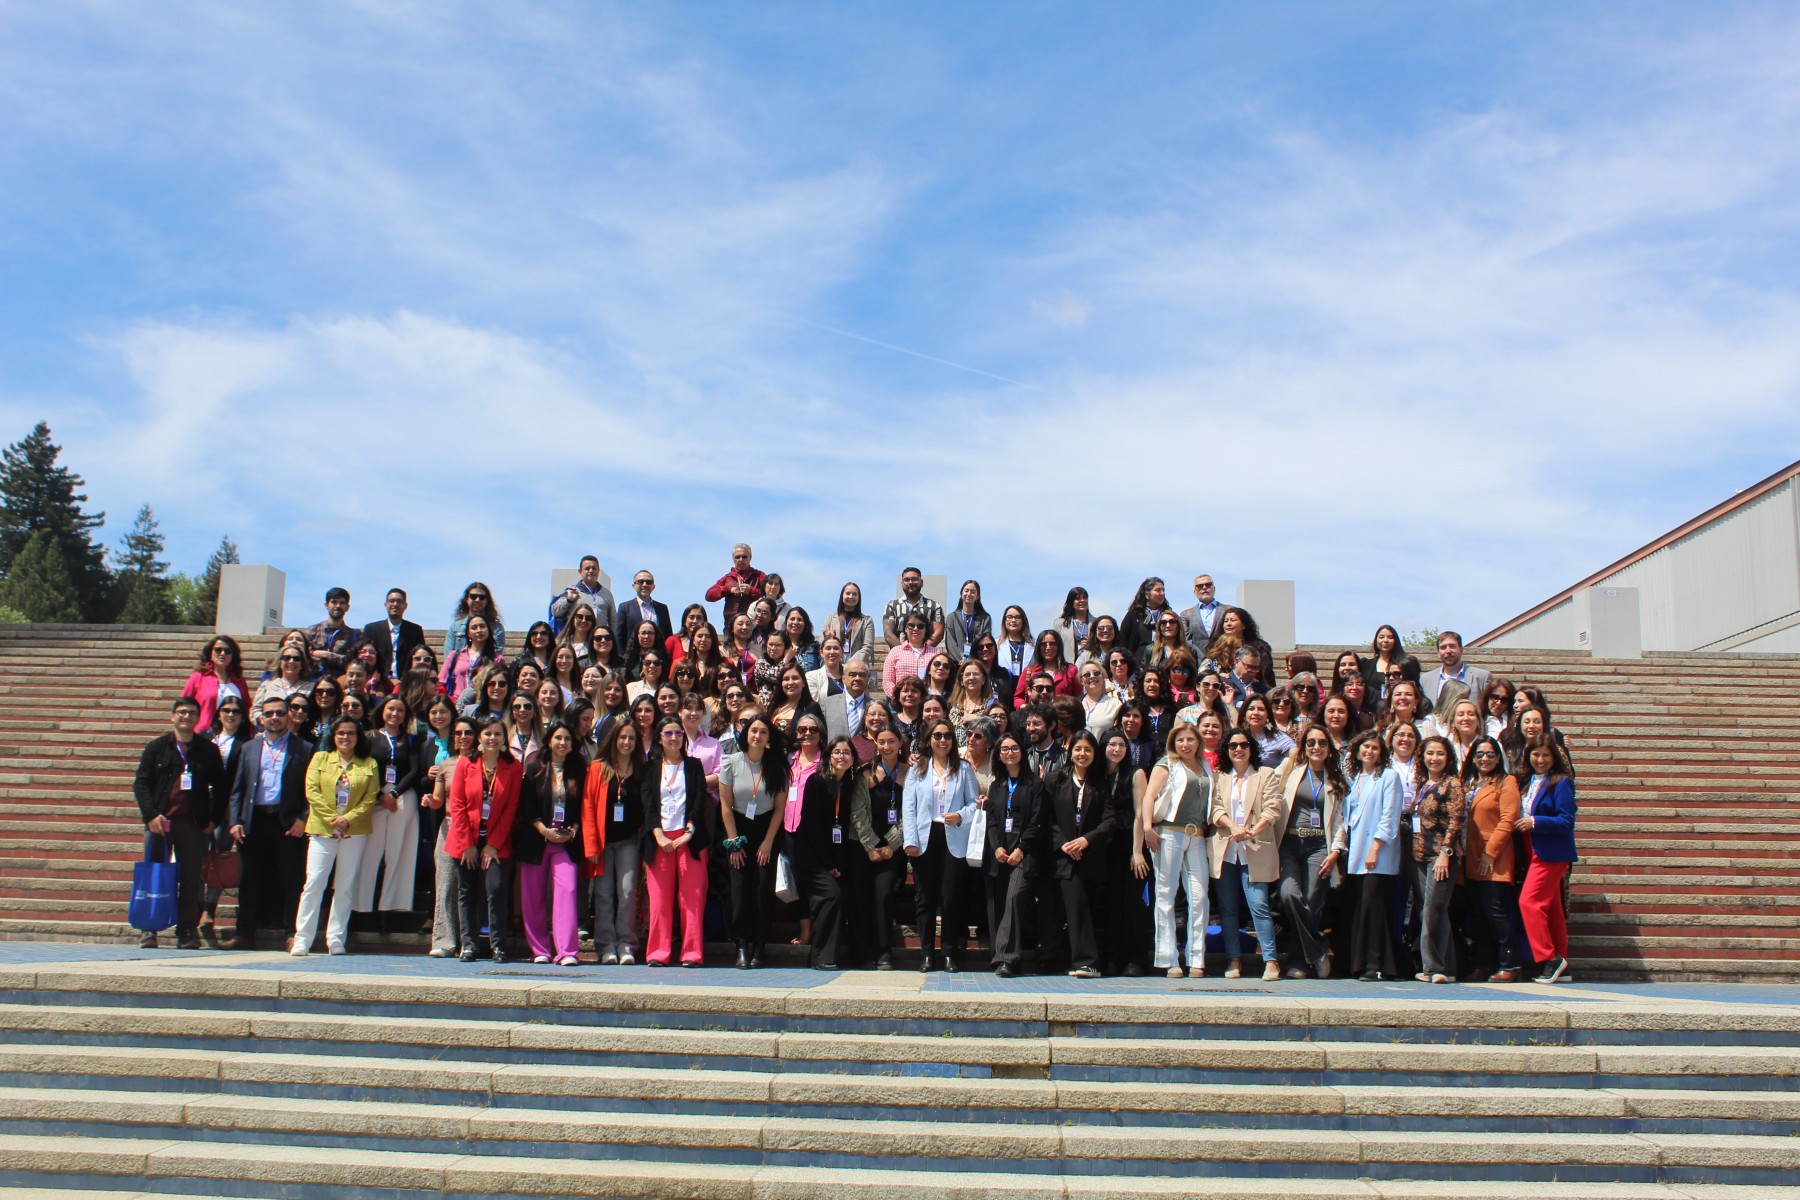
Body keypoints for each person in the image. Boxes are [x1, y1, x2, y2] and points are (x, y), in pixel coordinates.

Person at [131, 697, 227, 950]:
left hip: (193, 826)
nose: (187, 717)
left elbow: (222, 788)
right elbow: (141, 783)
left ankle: (187, 931)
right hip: (161, 824)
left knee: (191, 880)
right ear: (172, 716)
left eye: (192, 713)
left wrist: (213, 821)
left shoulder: (208, 750)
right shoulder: (157, 748)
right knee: (154, 876)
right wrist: (150, 815)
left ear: (198, 719)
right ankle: (149, 929)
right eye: (182, 712)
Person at [221, 695, 311, 950]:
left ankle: (291, 932)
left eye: (280, 713)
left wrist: (303, 818)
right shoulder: (249, 747)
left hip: (287, 822)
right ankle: (245, 933)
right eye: (269, 713)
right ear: (261, 718)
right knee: (250, 878)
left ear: (288, 716)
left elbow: (310, 789)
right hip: (254, 820)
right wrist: (235, 820)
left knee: (291, 879)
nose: (274, 718)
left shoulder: (303, 747)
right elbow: (237, 788)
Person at [292, 716, 379, 956]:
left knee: (344, 886)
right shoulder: (321, 758)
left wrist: (347, 819)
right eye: (341, 733)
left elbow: (370, 798)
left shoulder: (368, 764)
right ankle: (303, 938)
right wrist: (333, 818)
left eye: (350, 733)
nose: (345, 737)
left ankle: (336, 938)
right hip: (323, 829)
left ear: (357, 737)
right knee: (314, 883)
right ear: (333, 735)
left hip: (354, 832)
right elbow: (312, 791)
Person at [903, 718, 981, 972]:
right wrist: (910, 841)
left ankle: (949, 952)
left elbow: (973, 803)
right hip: (925, 837)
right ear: (929, 739)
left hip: (953, 835)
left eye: (947, 736)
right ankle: (927, 953)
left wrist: (961, 816)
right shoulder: (918, 769)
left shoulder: (964, 769)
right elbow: (910, 807)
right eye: (937, 736)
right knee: (925, 899)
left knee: (950, 898)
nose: (942, 740)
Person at [446, 718, 524, 962]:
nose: (492, 738)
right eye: (488, 733)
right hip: (465, 840)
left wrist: (493, 845)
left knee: (497, 889)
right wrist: (467, 845)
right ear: (479, 737)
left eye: (498, 734)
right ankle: (468, 944)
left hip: (496, 842)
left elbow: (511, 809)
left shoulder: (513, 767)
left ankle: (497, 945)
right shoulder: (465, 764)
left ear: (504, 738)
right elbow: (456, 805)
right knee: (467, 892)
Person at [1211, 729, 1283, 982]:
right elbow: (1215, 809)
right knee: (1228, 909)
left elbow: (1274, 807)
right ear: (1227, 750)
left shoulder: (1265, 775)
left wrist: (1253, 830)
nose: (1238, 749)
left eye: (1243, 745)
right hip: (1227, 850)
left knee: (1259, 906)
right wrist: (1234, 827)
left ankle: (1271, 961)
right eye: (1233, 746)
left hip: (1256, 847)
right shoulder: (1220, 777)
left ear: (1251, 748)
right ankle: (1234, 959)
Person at [1276, 724, 1347, 979]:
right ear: (1304, 747)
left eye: (1322, 743)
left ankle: (1298, 961)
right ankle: (1318, 948)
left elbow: (1340, 819)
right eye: (1311, 743)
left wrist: (1336, 850)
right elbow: (1269, 787)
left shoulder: (1337, 779)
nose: (1316, 747)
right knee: (1289, 894)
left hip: (1320, 845)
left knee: (1312, 901)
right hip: (1290, 843)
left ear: (1329, 748)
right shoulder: (1291, 771)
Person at [1142, 723, 1212, 979]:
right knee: (1165, 894)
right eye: (1180, 740)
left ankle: (1197, 958)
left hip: (1196, 835)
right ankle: (1168, 958)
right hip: (1168, 832)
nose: (1185, 744)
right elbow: (1149, 796)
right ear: (1174, 742)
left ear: (1197, 742)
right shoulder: (1166, 764)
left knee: (1199, 896)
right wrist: (1148, 828)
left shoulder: (1205, 766)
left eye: (1190, 740)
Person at [643, 716, 714, 967]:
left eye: (678, 733)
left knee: (692, 899)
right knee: (660, 900)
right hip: (659, 839)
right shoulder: (650, 768)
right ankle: (658, 953)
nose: (674, 738)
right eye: (668, 733)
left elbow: (698, 799)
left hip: (689, 839)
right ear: (660, 738)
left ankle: (692, 953)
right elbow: (648, 804)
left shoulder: (693, 766)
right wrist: (658, 833)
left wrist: (690, 830)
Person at [1044, 731, 1115, 978]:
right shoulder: (1055, 780)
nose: (1082, 754)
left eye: (1087, 750)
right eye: (1078, 749)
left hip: (1090, 858)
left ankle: (1086, 961)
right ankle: (1084, 960)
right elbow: (1047, 818)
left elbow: (1109, 821)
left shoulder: (1101, 783)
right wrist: (1063, 844)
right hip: (1062, 858)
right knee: (1071, 907)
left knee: (1083, 908)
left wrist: (1086, 841)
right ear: (1070, 751)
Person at [514, 720, 585, 966]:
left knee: (567, 890)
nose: (563, 743)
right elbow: (526, 806)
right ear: (549, 741)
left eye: (567, 739)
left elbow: (582, 807)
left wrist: (573, 830)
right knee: (533, 896)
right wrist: (544, 830)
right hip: (537, 839)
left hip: (566, 841)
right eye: (558, 738)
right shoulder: (534, 769)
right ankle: (540, 949)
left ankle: (567, 951)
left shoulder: (579, 771)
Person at [792, 736, 861, 969]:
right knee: (832, 894)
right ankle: (822, 957)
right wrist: (828, 864)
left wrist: (838, 864)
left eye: (847, 753)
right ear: (829, 756)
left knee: (843, 895)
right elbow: (812, 826)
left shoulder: (851, 784)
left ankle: (824, 956)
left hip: (833, 856)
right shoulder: (817, 782)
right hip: (811, 855)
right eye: (837, 752)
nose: (842, 757)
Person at [353, 695, 422, 926]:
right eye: (391, 709)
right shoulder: (369, 737)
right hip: (374, 798)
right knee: (369, 851)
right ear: (383, 711)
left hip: (402, 796)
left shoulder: (410, 740)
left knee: (398, 851)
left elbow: (415, 770)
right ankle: (361, 907)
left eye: (400, 710)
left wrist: (394, 794)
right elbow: (362, 769)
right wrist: (378, 795)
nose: (395, 714)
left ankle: (391, 908)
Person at [985, 730, 1049, 977]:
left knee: (1014, 898)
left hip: (1025, 853)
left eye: (1013, 748)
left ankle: (1006, 958)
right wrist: (997, 847)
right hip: (1000, 853)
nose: (1009, 753)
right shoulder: (996, 786)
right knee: (1001, 904)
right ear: (998, 756)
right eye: (1004, 749)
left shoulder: (1035, 785)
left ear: (1022, 753)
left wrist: (1021, 849)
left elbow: (1036, 822)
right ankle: (1006, 955)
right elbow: (991, 821)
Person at [581, 719, 644, 965]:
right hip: (603, 841)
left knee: (627, 892)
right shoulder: (598, 768)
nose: (626, 742)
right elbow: (587, 807)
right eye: (622, 738)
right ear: (613, 740)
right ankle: (606, 945)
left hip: (629, 840)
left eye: (631, 738)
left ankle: (626, 944)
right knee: (604, 894)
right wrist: (590, 844)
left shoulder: (641, 768)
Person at [1516, 734, 1578, 983]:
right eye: (1535, 754)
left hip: (1550, 851)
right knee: (1551, 909)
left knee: (1528, 903)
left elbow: (1566, 820)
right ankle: (1562, 961)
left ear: (1554, 758)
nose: (1540, 760)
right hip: (1531, 849)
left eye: (1545, 755)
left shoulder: (1561, 782)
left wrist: (1535, 821)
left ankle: (1548, 959)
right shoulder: (1527, 781)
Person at [1342, 729, 1404, 981]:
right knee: (1361, 908)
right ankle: (1359, 963)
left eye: (1375, 748)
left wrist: (1376, 847)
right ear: (1357, 751)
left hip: (1378, 852)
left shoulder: (1389, 777)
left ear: (1381, 753)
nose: (1369, 752)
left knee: (1373, 908)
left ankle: (1375, 963)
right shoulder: (1355, 777)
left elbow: (1390, 815)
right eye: (1365, 747)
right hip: (1356, 850)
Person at [1462, 735, 1523, 982]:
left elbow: (1508, 819)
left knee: (1494, 911)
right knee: (1478, 913)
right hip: (1470, 856)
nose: (1484, 758)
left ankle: (1510, 963)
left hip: (1492, 856)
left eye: (1489, 754)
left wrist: (1491, 852)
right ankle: (1485, 963)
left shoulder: (1506, 782)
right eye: (1479, 754)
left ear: (1498, 758)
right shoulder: (1468, 782)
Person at [1411, 734, 1464, 984]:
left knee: (1432, 911)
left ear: (1448, 757)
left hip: (1440, 857)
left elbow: (1456, 822)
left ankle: (1432, 967)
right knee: (1434, 912)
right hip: (1420, 854)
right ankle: (1448, 967)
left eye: (1440, 753)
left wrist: (1446, 853)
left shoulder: (1452, 783)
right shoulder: (1424, 784)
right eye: (1430, 753)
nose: (1435, 758)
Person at [424, 715, 474, 957]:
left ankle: (469, 940)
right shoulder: (446, 765)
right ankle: (444, 940)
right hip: (449, 826)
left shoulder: (482, 763)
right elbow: (437, 799)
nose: (462, 737)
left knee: (469, 888)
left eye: (467, 733)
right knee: (445, 886)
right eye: (458, 733)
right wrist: (429, 800)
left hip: (474, 827)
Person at [181, 636, 250, 733]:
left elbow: (247, 709)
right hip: (204, 735)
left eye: (227, 651)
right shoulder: (197, 678)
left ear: (232, 655)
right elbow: (183, 706)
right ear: (210, 653)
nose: (223, 654)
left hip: (235, 737)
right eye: (218, 650)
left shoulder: (240, 681)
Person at [360, 588, 425, 687]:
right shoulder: (371, 629)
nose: (395, 604)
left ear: (405, 606)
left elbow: (419, 659)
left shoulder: (415, 630)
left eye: (399, 601)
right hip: (378, 681)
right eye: (391, 601)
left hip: (406, 683)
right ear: (385, 605)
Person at [1420, 631, 1492, 716]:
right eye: (1443, 647)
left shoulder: (1482, 677)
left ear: (1461, 650)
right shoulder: (1425, 679)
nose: (1448, 651)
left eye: (1452, 646)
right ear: (1438, 653)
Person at [549, 554, 616, 638]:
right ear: (580, 571)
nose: (591, 571)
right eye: (587, 568)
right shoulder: (572, 590)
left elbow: (613, 622)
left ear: (598, 571)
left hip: (599, 642)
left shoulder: (607, 594)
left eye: (594, 568)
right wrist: (568, 600)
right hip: (576, 642)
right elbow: (555, 611)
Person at [705, 543, 767, 631]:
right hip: (731, 626)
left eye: (744, 557)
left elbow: (771, 596)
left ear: (750, 558)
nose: (741, 560)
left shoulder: (759, 576)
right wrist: (729, 590)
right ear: (733, 559)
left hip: (754, 626)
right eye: (737, 557)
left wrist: (751, 591)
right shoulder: (728, 578)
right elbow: (709, 595)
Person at [882, 566, 945, 647]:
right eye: (907, 580)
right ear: (902, 583)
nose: (910, 582)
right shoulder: (892, 606)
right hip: (898, 657)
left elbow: (938, 634)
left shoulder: (934, 606)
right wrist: (903, 652)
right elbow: (888, 634)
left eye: (914, 579)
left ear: (921, 582)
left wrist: (922, 652)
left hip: (926, 657)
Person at [881, 612, 940, 697]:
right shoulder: (895, 652)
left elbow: (940, 680)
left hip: (928, 703)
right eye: (911, 625)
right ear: (905, 629)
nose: (915, 629)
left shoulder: (936, 653)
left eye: (920, 626)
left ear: (926, 629)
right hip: (899, 703)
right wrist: (899, 697)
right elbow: (887, 681)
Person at [304, 588, 358, 681]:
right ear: (326, 605)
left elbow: (351, 662)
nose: (337, 606)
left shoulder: (354, 635)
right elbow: (305, 656)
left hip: (340, 684)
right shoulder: (312, 631)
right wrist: (338, 658)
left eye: (342, 603)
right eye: (334, 602)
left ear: (347, 607)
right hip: (312, 682)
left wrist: (326, 655)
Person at [444, 582, 505, 658]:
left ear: (487, 601)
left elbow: (495, 656)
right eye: (473, 596)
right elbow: (449, 657)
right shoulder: (456, 627)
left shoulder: (497, 628)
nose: (477, 600)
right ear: (467, 599)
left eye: (482, 597)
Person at [822, 582, 875, 667]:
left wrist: (849, 664)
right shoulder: (830, 618)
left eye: (854, 594)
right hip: (834, 666)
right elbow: (822, 644)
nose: (851, 596)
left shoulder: (867, 620)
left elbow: (867, 647)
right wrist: (828, 639)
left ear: (859, 598)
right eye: (848, 593)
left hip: (856, 667)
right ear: (842, 596)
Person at [822, 657, 872, 744]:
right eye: (852, 674)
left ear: (868, 679)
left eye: (862, 675)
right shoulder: (826, 704)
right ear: (843, 679)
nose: (857, 678)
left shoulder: (874, 706)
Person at [254, 644, 315, 712]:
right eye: (287, 658)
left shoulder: (311, 688)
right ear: (280, 663)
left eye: (296, 659)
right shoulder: (266, 686)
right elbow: (256, 710)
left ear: (302, 665)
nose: (291, 661)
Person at [943, 579, 991, 662]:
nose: (969, 594)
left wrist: (972, 661)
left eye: (973, 592)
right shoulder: (952, 617)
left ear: (978, 596)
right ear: (961, 593)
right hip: (957, 664)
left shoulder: (985, 618)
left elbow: (984, 641)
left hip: (977, 664)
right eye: (966, 591)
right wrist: (961, 660)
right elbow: (950, 643)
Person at [1119, 577, 1168, 659]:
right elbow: (1123, 639)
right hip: (1139, 661)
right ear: (1147, 595)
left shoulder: (1168, 615)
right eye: (1158, 590)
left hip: (1163, 661)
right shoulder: (1134, 615)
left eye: (1163, 590)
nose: (1162, 593)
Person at [1051, 586, 1094, 663]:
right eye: (1078, 598)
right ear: (1071, 602)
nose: (1082, 600)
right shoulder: (1060, 623)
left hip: (1090, 665)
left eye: (1084, 598)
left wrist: (1091, 644)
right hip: (1068, 666)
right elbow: (1055, 647)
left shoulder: (1095, 622)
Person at [1181, 574, 1224, 648]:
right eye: (1200, 586)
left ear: (1214, 588)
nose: (1204, 588)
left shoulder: (1227, 610)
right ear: (1194, 591)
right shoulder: (1186, 615)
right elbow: (1186, 641)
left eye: (1208, 585)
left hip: (1223, 657)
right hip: (1197, 658)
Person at [995, 606, 1035, 683]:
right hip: (1003, 687)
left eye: (1017, 617)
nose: (1013, 620)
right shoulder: (996, 643)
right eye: (1009, 617)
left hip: (1026, 686)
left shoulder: (1034, 644)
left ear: (1023, 620)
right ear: (1004, 620)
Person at [806, 634, 845, 703]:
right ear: (821, 653)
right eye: (828, 648)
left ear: (842, 652)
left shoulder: (851, 673)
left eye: (836, 648)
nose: (832, 652)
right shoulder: (812, 676)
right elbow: (815, 702)